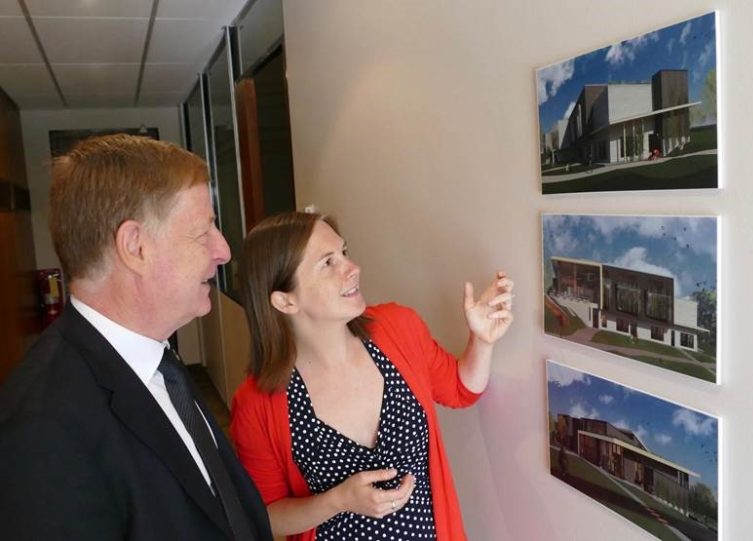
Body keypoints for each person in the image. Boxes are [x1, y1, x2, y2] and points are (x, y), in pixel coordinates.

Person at [0, 134, 272, 540]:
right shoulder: (42, 429)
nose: (224, 251)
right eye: (204, 233)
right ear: (135, 246)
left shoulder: (159, 360)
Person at [230, 212, 514, 541]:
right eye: (327, 263)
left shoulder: (398, 328)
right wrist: (336, 501)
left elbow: (460, 389)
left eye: (344, 253)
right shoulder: (256, 403)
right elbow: (266, 516)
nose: (352, 268)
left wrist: (482, 339)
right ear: (285, 300)